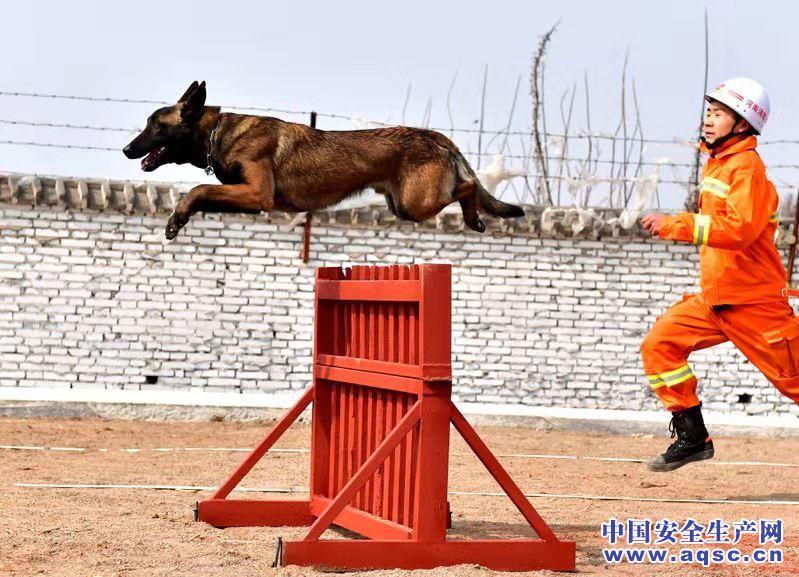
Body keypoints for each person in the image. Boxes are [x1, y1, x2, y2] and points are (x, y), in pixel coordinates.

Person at [640, 78, 798, 472]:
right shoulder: (721, 164)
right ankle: (693, 438)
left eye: (719, 114)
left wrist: (677, 224)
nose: (708, 121)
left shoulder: (746, 169)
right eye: (708, 113)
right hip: (716, 300)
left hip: (755, 303)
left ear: (742, 124)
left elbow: (739, 229)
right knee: (659, 345)